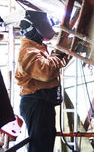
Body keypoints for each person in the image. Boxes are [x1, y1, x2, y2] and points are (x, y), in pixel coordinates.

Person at [15, 10, 68, 152]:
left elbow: (52, 65)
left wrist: (61, 54)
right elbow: (45, 72)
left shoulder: (37, 48)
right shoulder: (28, 51)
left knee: (45, 143)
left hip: (43, 102)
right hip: (36, 102)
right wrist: (59, 55)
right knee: (40, 147)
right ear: (34, 29)